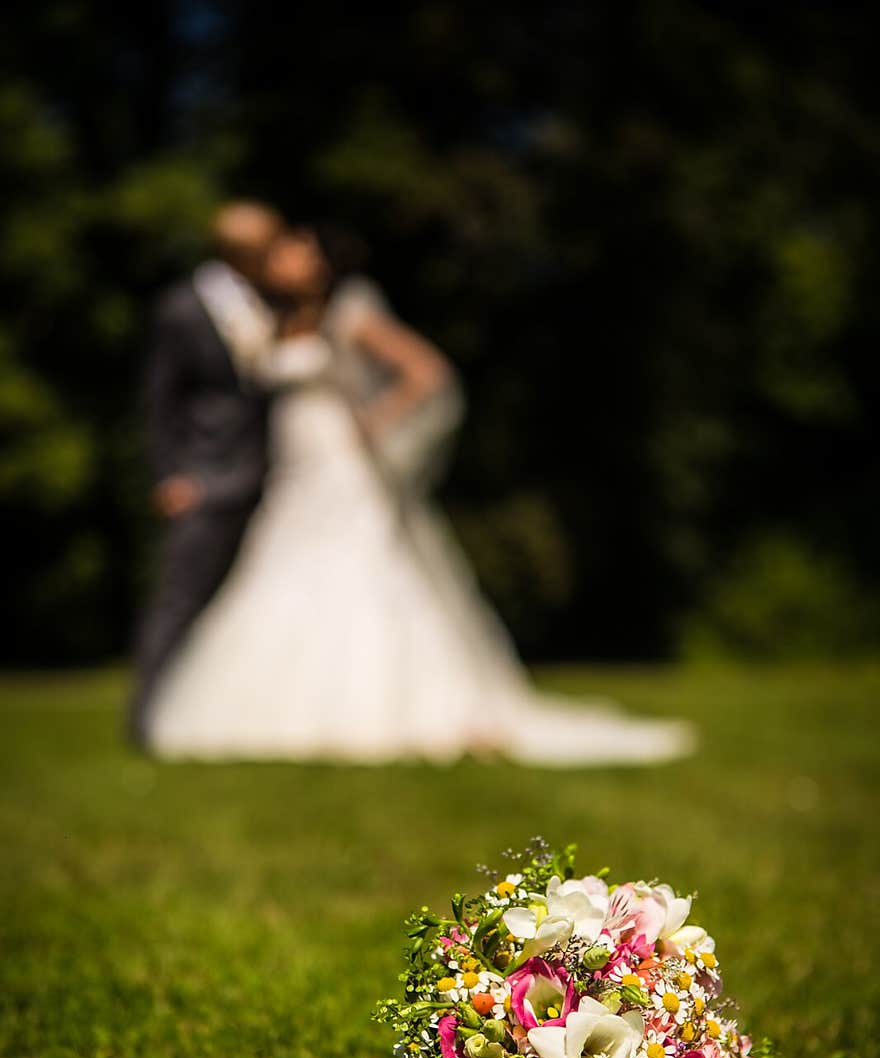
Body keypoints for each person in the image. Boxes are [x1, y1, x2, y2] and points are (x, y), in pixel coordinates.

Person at [143, 227, 696, 766]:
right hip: (292, 472)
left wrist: (377, 423)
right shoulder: (273, 323)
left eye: (296, 252)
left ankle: (380, 707)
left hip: (343, 467)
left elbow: (427, 372)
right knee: (280, 568)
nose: (283, 260)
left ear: (322, 266)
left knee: (358, 572)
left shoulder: (350, 316)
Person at [127, 199, 298, 743]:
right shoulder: (183, 308)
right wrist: (169, 475)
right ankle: (146, 719)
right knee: (180, 598)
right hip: (203, 477)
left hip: (278, 477)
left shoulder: (281, 304)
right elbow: (159, 399)